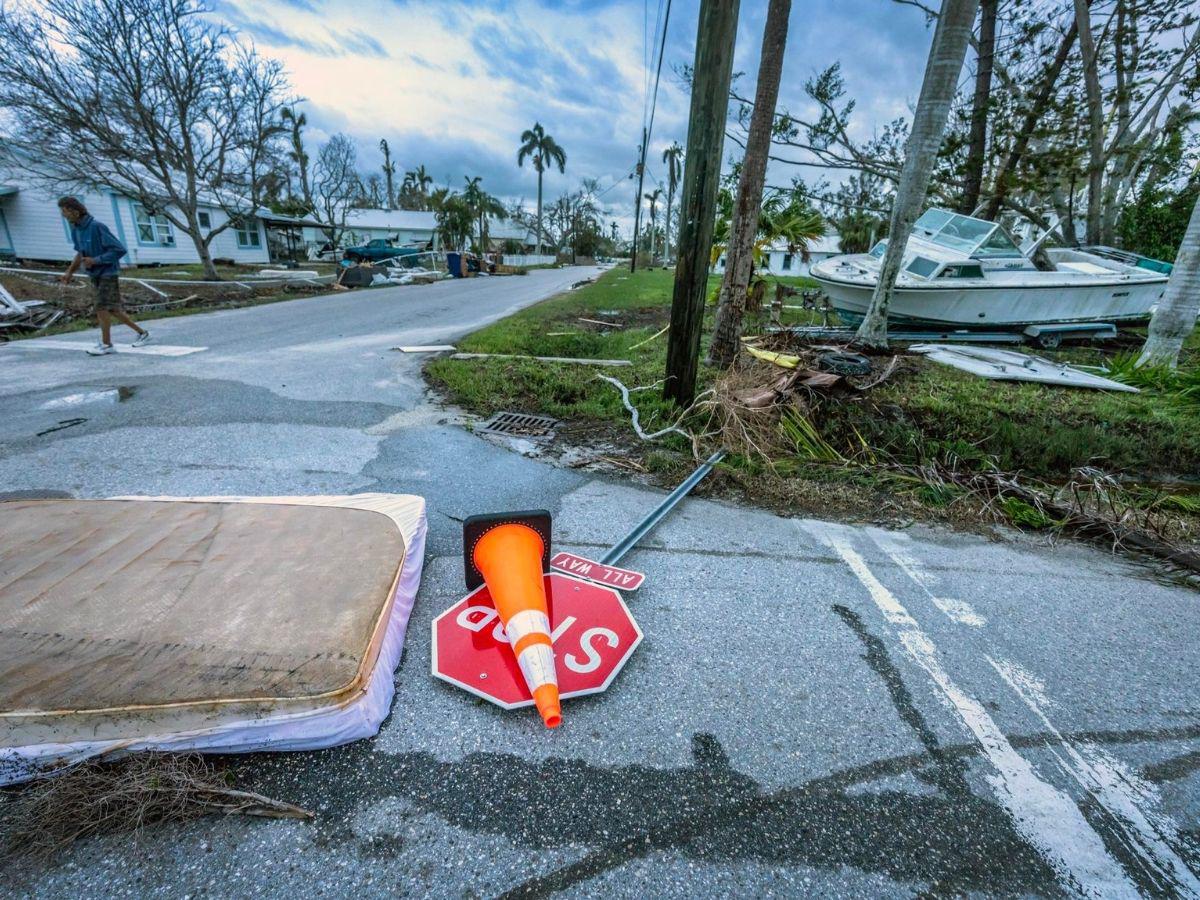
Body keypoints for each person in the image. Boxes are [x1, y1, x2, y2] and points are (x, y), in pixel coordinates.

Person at [57, 196, 149, 355]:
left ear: (75, 211)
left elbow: (119, 250)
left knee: (101, 307)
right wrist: (69, 273)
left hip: (108, 273)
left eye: (65, 211)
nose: (63, 215)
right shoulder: (76, 230)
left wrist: (96, 260)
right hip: (94, 274)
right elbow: (80, 253)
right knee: (112, 309)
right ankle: (143, 333)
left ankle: (107, 345)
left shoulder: (97, 227)